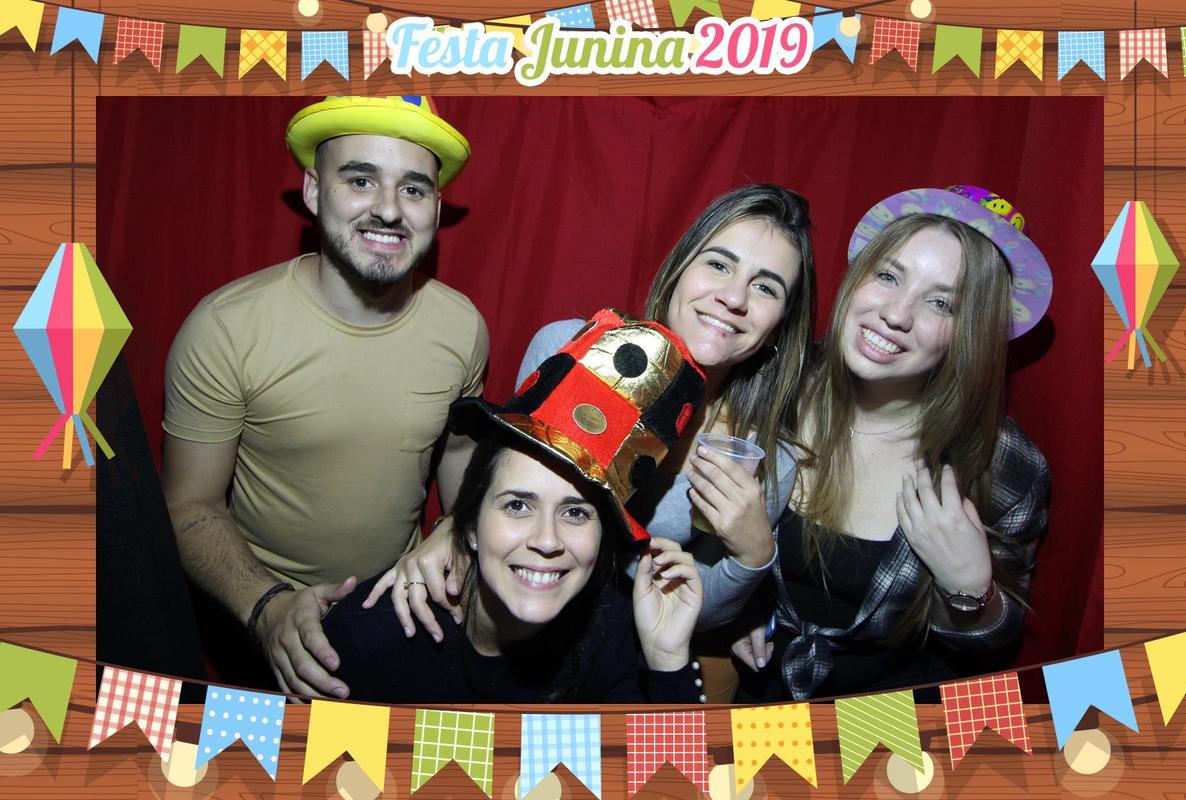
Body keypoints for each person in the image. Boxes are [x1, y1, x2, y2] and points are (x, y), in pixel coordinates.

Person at [366, 183, 815, 701]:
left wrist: (753, 555)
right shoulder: (569, 350)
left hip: (622, 660)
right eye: (718, 264)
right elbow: (505, 484)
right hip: (510, 632)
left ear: (779, 325)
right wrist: (453, 529)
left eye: (766, 288)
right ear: (679, 270)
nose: (734, 298)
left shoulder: (767, 460)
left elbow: (686, 609)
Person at [159, 96, 488, 700]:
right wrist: (268, 608)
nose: (388, 209)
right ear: (314, 191)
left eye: (413, 189)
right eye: (360, 180)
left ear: (436, 209)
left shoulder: (462, 326)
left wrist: (455, 532)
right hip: (263, 611)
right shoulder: (225, 328)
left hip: (402, 612)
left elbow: (463, 469)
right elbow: (188, 505)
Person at [734, 185, 1052, 701]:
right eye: (888, 276)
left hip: (893, 726)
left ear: (969, 332)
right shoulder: (772, 383)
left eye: (941, 303)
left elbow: (992, 644)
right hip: (752, 705)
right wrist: (734, 599)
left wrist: (968, 587)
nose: (897, 314)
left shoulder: (1004, 462)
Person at [322, 309, 706, 702]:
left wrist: (667, 661)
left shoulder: (619, 636)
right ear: (469, 525)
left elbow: (673, 746)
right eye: (518, 506)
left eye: (575, 512)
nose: (547, 540)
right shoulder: (369, 637)